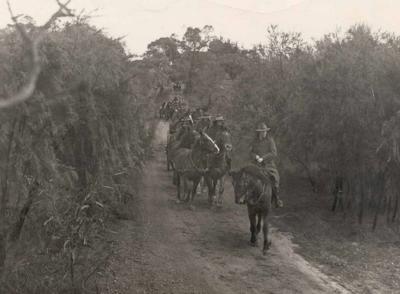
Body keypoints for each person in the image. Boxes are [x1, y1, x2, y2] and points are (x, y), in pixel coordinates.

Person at [249, 122, 283, 208]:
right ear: (259, 132)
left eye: (265, 131)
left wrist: (263, 158)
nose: (264, 133)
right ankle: (247, 197)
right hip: (257, 164)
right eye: (262, 131)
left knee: (274, 178)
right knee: (248, 177)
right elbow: (251, 152)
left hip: (268, 165)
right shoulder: (255, 141)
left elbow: (274, 153)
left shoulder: (270, 140)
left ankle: (276, 199)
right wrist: (255, 156)